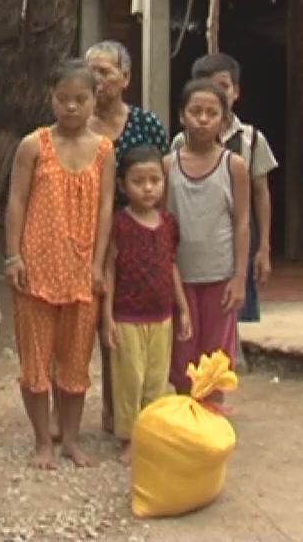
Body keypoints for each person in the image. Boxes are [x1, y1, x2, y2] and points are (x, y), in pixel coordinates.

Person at [5, 59, 116, 469]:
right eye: (63, 99)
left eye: (80, 99)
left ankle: (70, 439)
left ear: (94, 101)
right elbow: (15, 201)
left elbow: (106, 208)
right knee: (35, 360)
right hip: (36, 267)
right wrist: (13, 255)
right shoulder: (33, 145)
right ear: (51, 99)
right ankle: (42, 442)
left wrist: (99, 263)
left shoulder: (104, 149)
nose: (71, 107)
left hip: (82, 268)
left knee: (75, 362)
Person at [83, 40, 170, 434]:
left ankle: (128, 412)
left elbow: (161, 175)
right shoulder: (77, 123)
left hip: (136, 238)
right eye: (92, 72)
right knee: (95, 318)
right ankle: (104, 404)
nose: (97, 80)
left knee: (127, 319)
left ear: (126, 78)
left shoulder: (147, 124)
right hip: (86, 232)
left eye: (105, 71)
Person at [171, 53, 279, 365]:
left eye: (223, 86)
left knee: (226, 313)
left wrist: (264, 247)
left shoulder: (251, 140)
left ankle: (231, 359)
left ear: (235, 91)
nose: (203, 118)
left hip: (229, 242)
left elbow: (261, 195)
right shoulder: (179, 146)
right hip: (191, 250)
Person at [101, 145, 192, 463]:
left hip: (162, 314)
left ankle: (151, 432)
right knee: (130, 379)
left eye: (155, 180)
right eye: (139, 181)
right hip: (127, 316)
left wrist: (182, 308)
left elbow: (171, 265)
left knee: (156, 379)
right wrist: (107, 316)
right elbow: (109, 269)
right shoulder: (119, 224)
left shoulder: (168, 223)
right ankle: (128, 436)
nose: (148, 187)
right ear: (123, 185)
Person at [166, 79, 250, 401]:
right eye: (195, 111)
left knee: (215, 359)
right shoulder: (168, 165)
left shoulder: (234, 166)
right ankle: (188, 424)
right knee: (183, 355)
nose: (202, 119)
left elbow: (242, 223)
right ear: (181, 116)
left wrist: (239, 277)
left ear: (224, 121)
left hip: (220, 277)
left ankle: (212, 424)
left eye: (212, 113)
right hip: (180, 279)